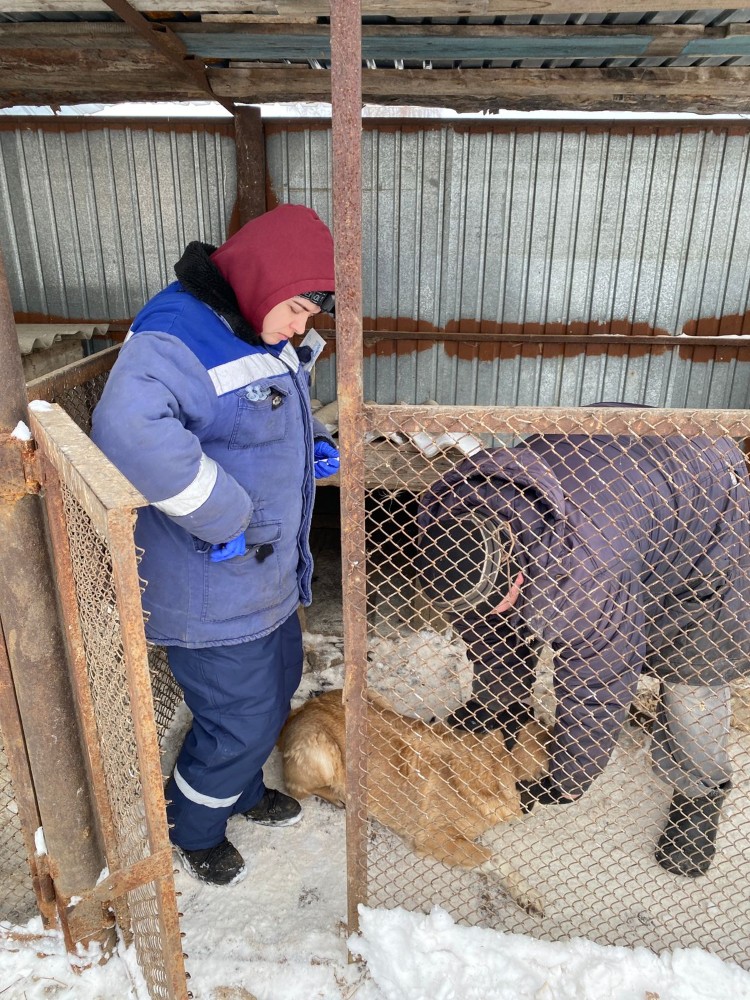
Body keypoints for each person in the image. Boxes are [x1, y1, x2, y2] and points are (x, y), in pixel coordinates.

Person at [91, 203, 339, 886]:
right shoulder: (177, 334)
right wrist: (227, 513)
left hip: (261, 577)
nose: (301, 326)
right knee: (238, 718)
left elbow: (265, 413)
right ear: (263, 281)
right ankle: (192, 825)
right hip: (210, 583)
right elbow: (128, 430)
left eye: (309, 317)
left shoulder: (260, 327)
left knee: (277, 685)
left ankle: (239, 789)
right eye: (297, 310)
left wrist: (311, 444)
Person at [416, 413, 750, 878]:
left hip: (710, 509)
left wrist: (568, 778)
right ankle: (506, 704)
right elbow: (487, 621)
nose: (495, 610)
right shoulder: (456, 514)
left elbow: (600, 684)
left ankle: (699, 794)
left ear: (516, 567)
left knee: (692, 675)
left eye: (505, 597)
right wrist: (501, 700)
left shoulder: (584, 570)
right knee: (505, 615)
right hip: (623, 475)